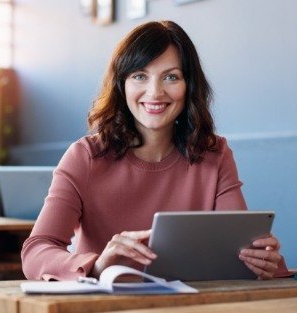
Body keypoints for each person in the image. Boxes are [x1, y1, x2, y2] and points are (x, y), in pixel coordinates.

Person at [21, 20, 284, 281]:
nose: (155, 92)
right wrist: (98, 266)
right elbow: (36, 251)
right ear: (121, 85)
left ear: (189, 86)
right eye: (139, 76)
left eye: (171, 77)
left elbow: (239, 249)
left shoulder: (214, 154)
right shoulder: (85, 157)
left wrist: (263, 261)